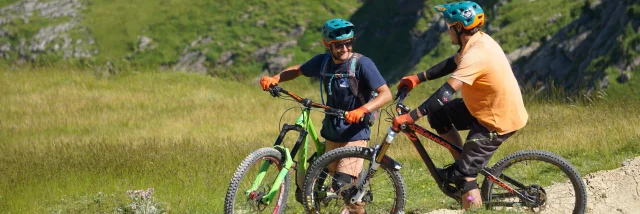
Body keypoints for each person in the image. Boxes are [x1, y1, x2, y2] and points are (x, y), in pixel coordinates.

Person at [392, 1, 528, 210]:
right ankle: (462, 161)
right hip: (483, 107)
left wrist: (411, 117)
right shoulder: (475, 42)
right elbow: (453, 62)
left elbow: (445, 94)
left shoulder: (476, 55)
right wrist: (417, 78)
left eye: (449, 26)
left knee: (465, 177)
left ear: (459, 27)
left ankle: (467, 179)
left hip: (496, 120)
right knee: (438, 115)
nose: (447, 31)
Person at [260, 18, 392, 213]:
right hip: (331, 133)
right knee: (332, 182)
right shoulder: (323, 62)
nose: (345, 48)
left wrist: (361, 110)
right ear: (326, 44)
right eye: (339, 45)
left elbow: (386, 94)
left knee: (344, 188)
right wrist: (276, 78)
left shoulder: (362, 64)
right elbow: (297, 70)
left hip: (355, 136)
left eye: (348, 43)